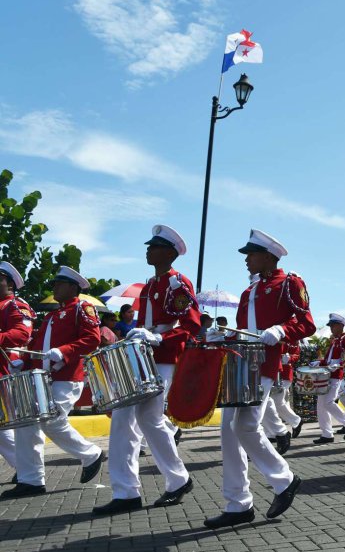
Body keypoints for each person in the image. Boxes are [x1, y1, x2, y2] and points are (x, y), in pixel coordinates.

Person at [203, 229, 311, 529]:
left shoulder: (289, 283)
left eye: (251, 254)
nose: (246, 260)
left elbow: (306, 322)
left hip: (264, 366)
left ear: (267, 256)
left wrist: (282, 330)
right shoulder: (248, 292)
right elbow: (243, 332)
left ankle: (284, 479)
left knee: (245, 425)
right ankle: (238, 503)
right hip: (239, 366)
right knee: (228, 431)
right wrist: (222, 336)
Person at [94, 225, 198, 515]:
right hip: (143, 356)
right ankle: (165, 482)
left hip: (162, 357)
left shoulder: (177, 282)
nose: (148, 251)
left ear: (168, 253)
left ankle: (141, 488)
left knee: (139, 418)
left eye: (153, 247)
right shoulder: (151, 285)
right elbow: (150, 322)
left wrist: (159, 337)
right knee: (140, 419)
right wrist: (139, 332)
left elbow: (190, 325)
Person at [4, 267, 105, 499]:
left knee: (52, 421)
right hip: (44, 378)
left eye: (59, 284)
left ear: (72, 287)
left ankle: (91, 454)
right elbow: (38, 346)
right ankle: (31, 480)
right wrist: (24, 361)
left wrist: (64, 351)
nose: (54, 288)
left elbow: (93, 339)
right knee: (27, 423)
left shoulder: (82, 308)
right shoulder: (51, 316)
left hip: (67, 377)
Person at [0, 262, 34, 479]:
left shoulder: (15, 305)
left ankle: (24, 468)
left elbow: (21, 334)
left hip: (6, 370)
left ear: (10, 283)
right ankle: (23, 468)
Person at [311, 314, 345, 444]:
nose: (331, 328)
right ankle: (326, 434)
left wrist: (339, 364)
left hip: (336, 376)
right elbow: (328, 360)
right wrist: (319, 363)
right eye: (331, 326)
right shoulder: (335, 340)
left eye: (334, 325)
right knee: (321, 405)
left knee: (329, 402)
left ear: (341, 326)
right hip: (327, 375)